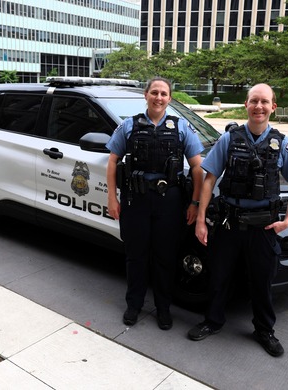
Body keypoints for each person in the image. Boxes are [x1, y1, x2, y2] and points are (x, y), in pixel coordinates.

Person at [187, 83, 288, 357]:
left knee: (262, 282)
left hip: (263, 228)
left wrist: (287, 220)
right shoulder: (229, 139)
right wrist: (201, 220)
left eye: (264, 101)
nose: (259, 106)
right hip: (229, 224)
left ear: (272, 107)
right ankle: (212, 321)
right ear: (246, 104)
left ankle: (264, 330)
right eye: (254, 101)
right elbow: (209, 179)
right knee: (219, 277)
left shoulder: (281, 143)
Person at [106, 77, 204, 330]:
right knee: (135, 256)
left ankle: (163, 308)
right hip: (135, 199)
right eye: (154, 93)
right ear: (146, 94)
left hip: (169, 201)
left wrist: (194, 202)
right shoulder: (128, 126)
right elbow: (112, 161)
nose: (159, 98)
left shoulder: (182, 128)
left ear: (169, 98)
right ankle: (134, 305)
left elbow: (196, 167)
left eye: (164, 94)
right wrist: (111, 198)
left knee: (165, 258)